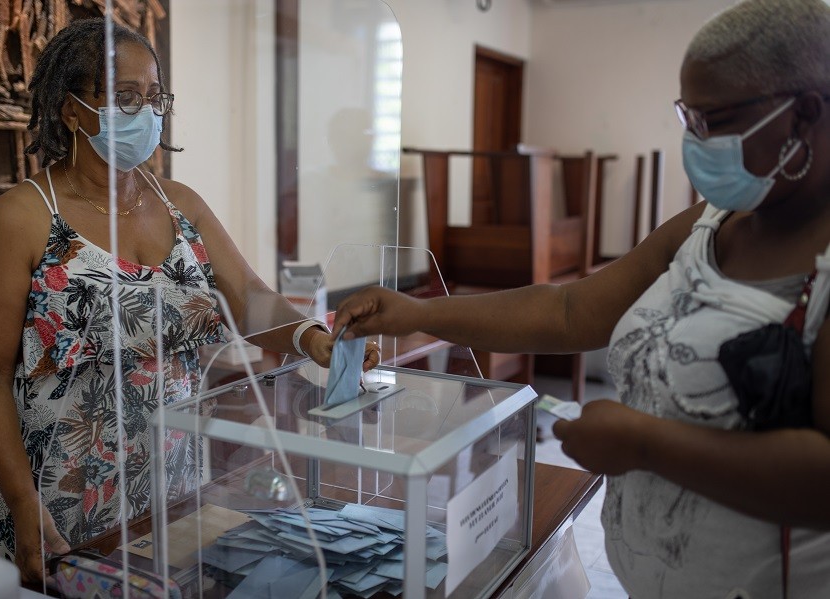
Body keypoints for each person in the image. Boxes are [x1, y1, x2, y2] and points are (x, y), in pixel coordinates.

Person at [331, 1, 830, 596]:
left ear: (805, 113)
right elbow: (569, 312)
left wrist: (646, 444)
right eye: (687, 117)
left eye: (714, 119)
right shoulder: (712, 222)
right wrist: (421, 313)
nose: (696, 140)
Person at [0, 18, 380, 583]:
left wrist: (314, 340)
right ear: (71, 109)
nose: (147, 113)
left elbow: (251, 297)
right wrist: (23, 499)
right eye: (126, 98)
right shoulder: (21, 218)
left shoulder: (181, 205)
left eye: (155, 97)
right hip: (56, 495)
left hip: (172, 480)